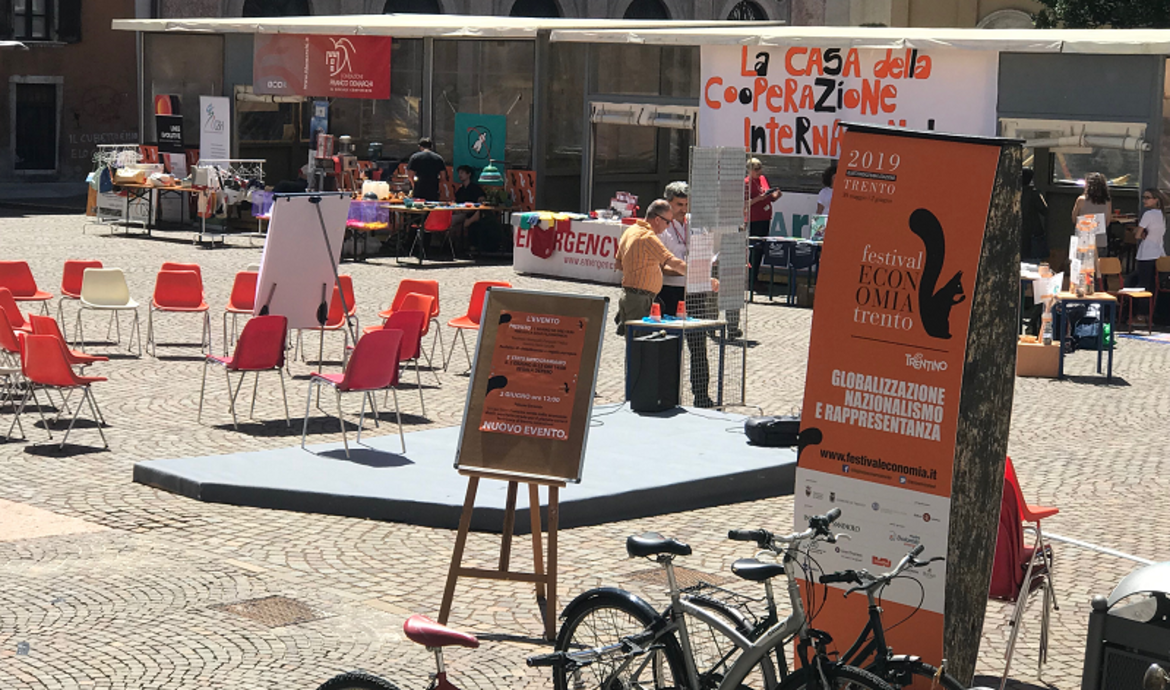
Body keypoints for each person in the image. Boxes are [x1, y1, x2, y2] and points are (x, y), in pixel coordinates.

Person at [658, 182, 716, 408]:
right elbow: (659, 265)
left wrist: (704, 264)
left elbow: (705, 251)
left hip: (694, 290)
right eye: (679, 205)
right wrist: (685, 269)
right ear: (668, 203)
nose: (683, 209)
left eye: (686, 204)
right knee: (670, 344)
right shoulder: (661, 226)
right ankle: (667, 395)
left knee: (698, 344)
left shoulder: (695, 224)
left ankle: (701, 395)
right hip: (670, 290)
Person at [614, 199, 686, 336]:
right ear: (657, 220)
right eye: (668, 222)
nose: (668, 227)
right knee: (640, 344)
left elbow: (618, 264)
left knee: (635, 342)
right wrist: (699, 276)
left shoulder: (631, 231)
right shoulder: (648, 237)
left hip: (631, 296)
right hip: (640, 299)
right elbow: (673, 262)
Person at [745, 158, 781, 292]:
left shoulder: (763, 179)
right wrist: (758, 199)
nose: (759, 171)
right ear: (749, 170)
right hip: (754, 219)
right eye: (756, 169)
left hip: (765, 217)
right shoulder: (746, 183)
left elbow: (769, 197)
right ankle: (751, 279)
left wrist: (775, 195)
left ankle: (754, 277)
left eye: (760, 168)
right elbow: (744, 203)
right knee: (755, 249)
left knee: (761, 249)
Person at [1129, 188, 1166, 294]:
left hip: (1146, 253)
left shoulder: (1148, 214)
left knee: (1143, 284)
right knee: (1154, 285)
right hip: (1159, 252)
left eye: (1147, 198)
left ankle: (1142, 304)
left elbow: (1137, 235)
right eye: (1143, 197)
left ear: (1156, 199)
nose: (1144, 200)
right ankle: (1153, 304)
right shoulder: (1162, 214)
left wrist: (1138, 231)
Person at [1072, 171, 1112, 256]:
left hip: (1083, 241)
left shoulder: (1081, 200)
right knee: (1099, 263)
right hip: (1100, 241)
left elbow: (1074, 219)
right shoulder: (1107, 201)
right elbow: (1107, 222)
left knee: (1082, 263)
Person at [452, 165, 486, 254]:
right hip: (459, 211)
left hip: (469, 212)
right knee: (456, 224)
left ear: (469, 174)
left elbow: (481, 200)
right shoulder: (460, 189)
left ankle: (457, 248)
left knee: (452, 221)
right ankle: (456, 248)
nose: (460, 175)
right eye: (459, 173)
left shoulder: (475, 188)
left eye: (462, 173)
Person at [1021, 169, 1048, 261]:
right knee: (1034, 257)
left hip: (1019, 228)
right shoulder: (1034, 193)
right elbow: (1044, 210)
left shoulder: (1014, 193)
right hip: (1033, 229)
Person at [407, 137, 445, 201]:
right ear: (431, 147)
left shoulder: (415, 157)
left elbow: (410, 176)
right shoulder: (439, 158)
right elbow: (443, 177)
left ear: (420, 147)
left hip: (419, 190)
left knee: (419, 206)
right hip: (433, 191)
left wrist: (414, 186)